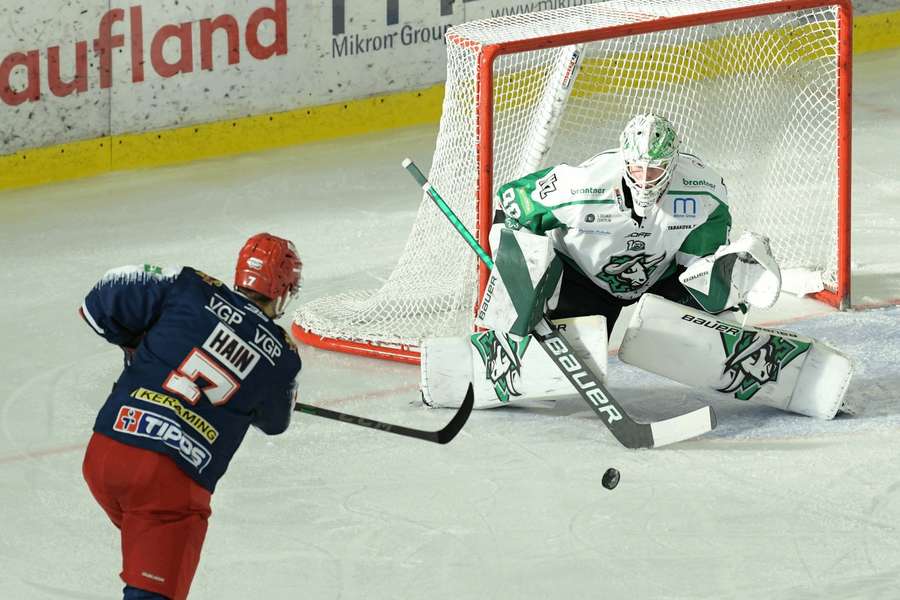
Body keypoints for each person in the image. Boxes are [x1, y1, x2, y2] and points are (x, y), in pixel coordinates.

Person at [79, 233, 302, 600]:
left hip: (107, 452)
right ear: (282, 291)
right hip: (169, 481)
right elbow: (275, 422)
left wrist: (134, 344)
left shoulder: (190, 286)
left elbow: (99, 300)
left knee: (143, 547)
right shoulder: (283, 356)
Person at [490, 113, 766, 337]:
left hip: (660, 279)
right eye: (637, 169)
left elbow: (700, 260)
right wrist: (522, 286)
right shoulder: (581, 185)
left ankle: (733, 348)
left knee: (720, 289)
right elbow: (510, 202)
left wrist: (721, 295)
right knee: (578, 367)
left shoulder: (702, 191)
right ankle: (512, 342)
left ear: (671, 165)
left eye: (655, 170)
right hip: (583, 282)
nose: (645, 179)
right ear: (625, 161)